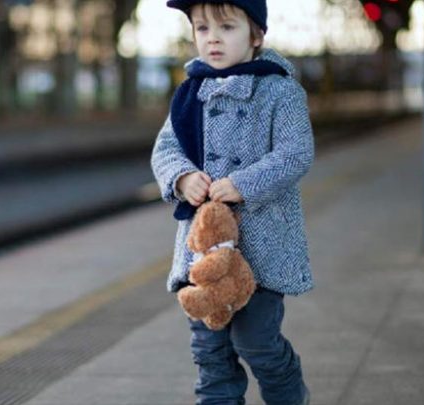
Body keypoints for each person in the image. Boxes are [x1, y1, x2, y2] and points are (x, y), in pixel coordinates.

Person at [150, 0, 314, 404]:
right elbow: (166, 149)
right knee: (210, 352)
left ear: (255, 34)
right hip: (204, 251)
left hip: (262, 248)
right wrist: (182, 177)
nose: (213, 39)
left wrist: (243, 184)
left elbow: (296, 152)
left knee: (257, 342)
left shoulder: (279, 90)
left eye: (226, 27)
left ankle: (291, 395)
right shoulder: (190, 92)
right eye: (203, 28)